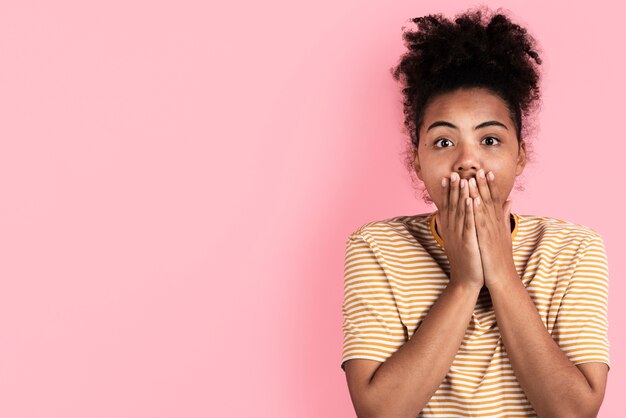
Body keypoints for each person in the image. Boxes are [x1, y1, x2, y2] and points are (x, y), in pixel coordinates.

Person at [340, 6, 610, 418]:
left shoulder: (573, 250)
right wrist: (465, 282)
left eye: (490, 140)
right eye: (444, 142)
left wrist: (501, 273)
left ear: (520, 156)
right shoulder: (375, 247)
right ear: (417, 161)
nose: (468, 161)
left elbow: (574, 413)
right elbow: (380, 412)